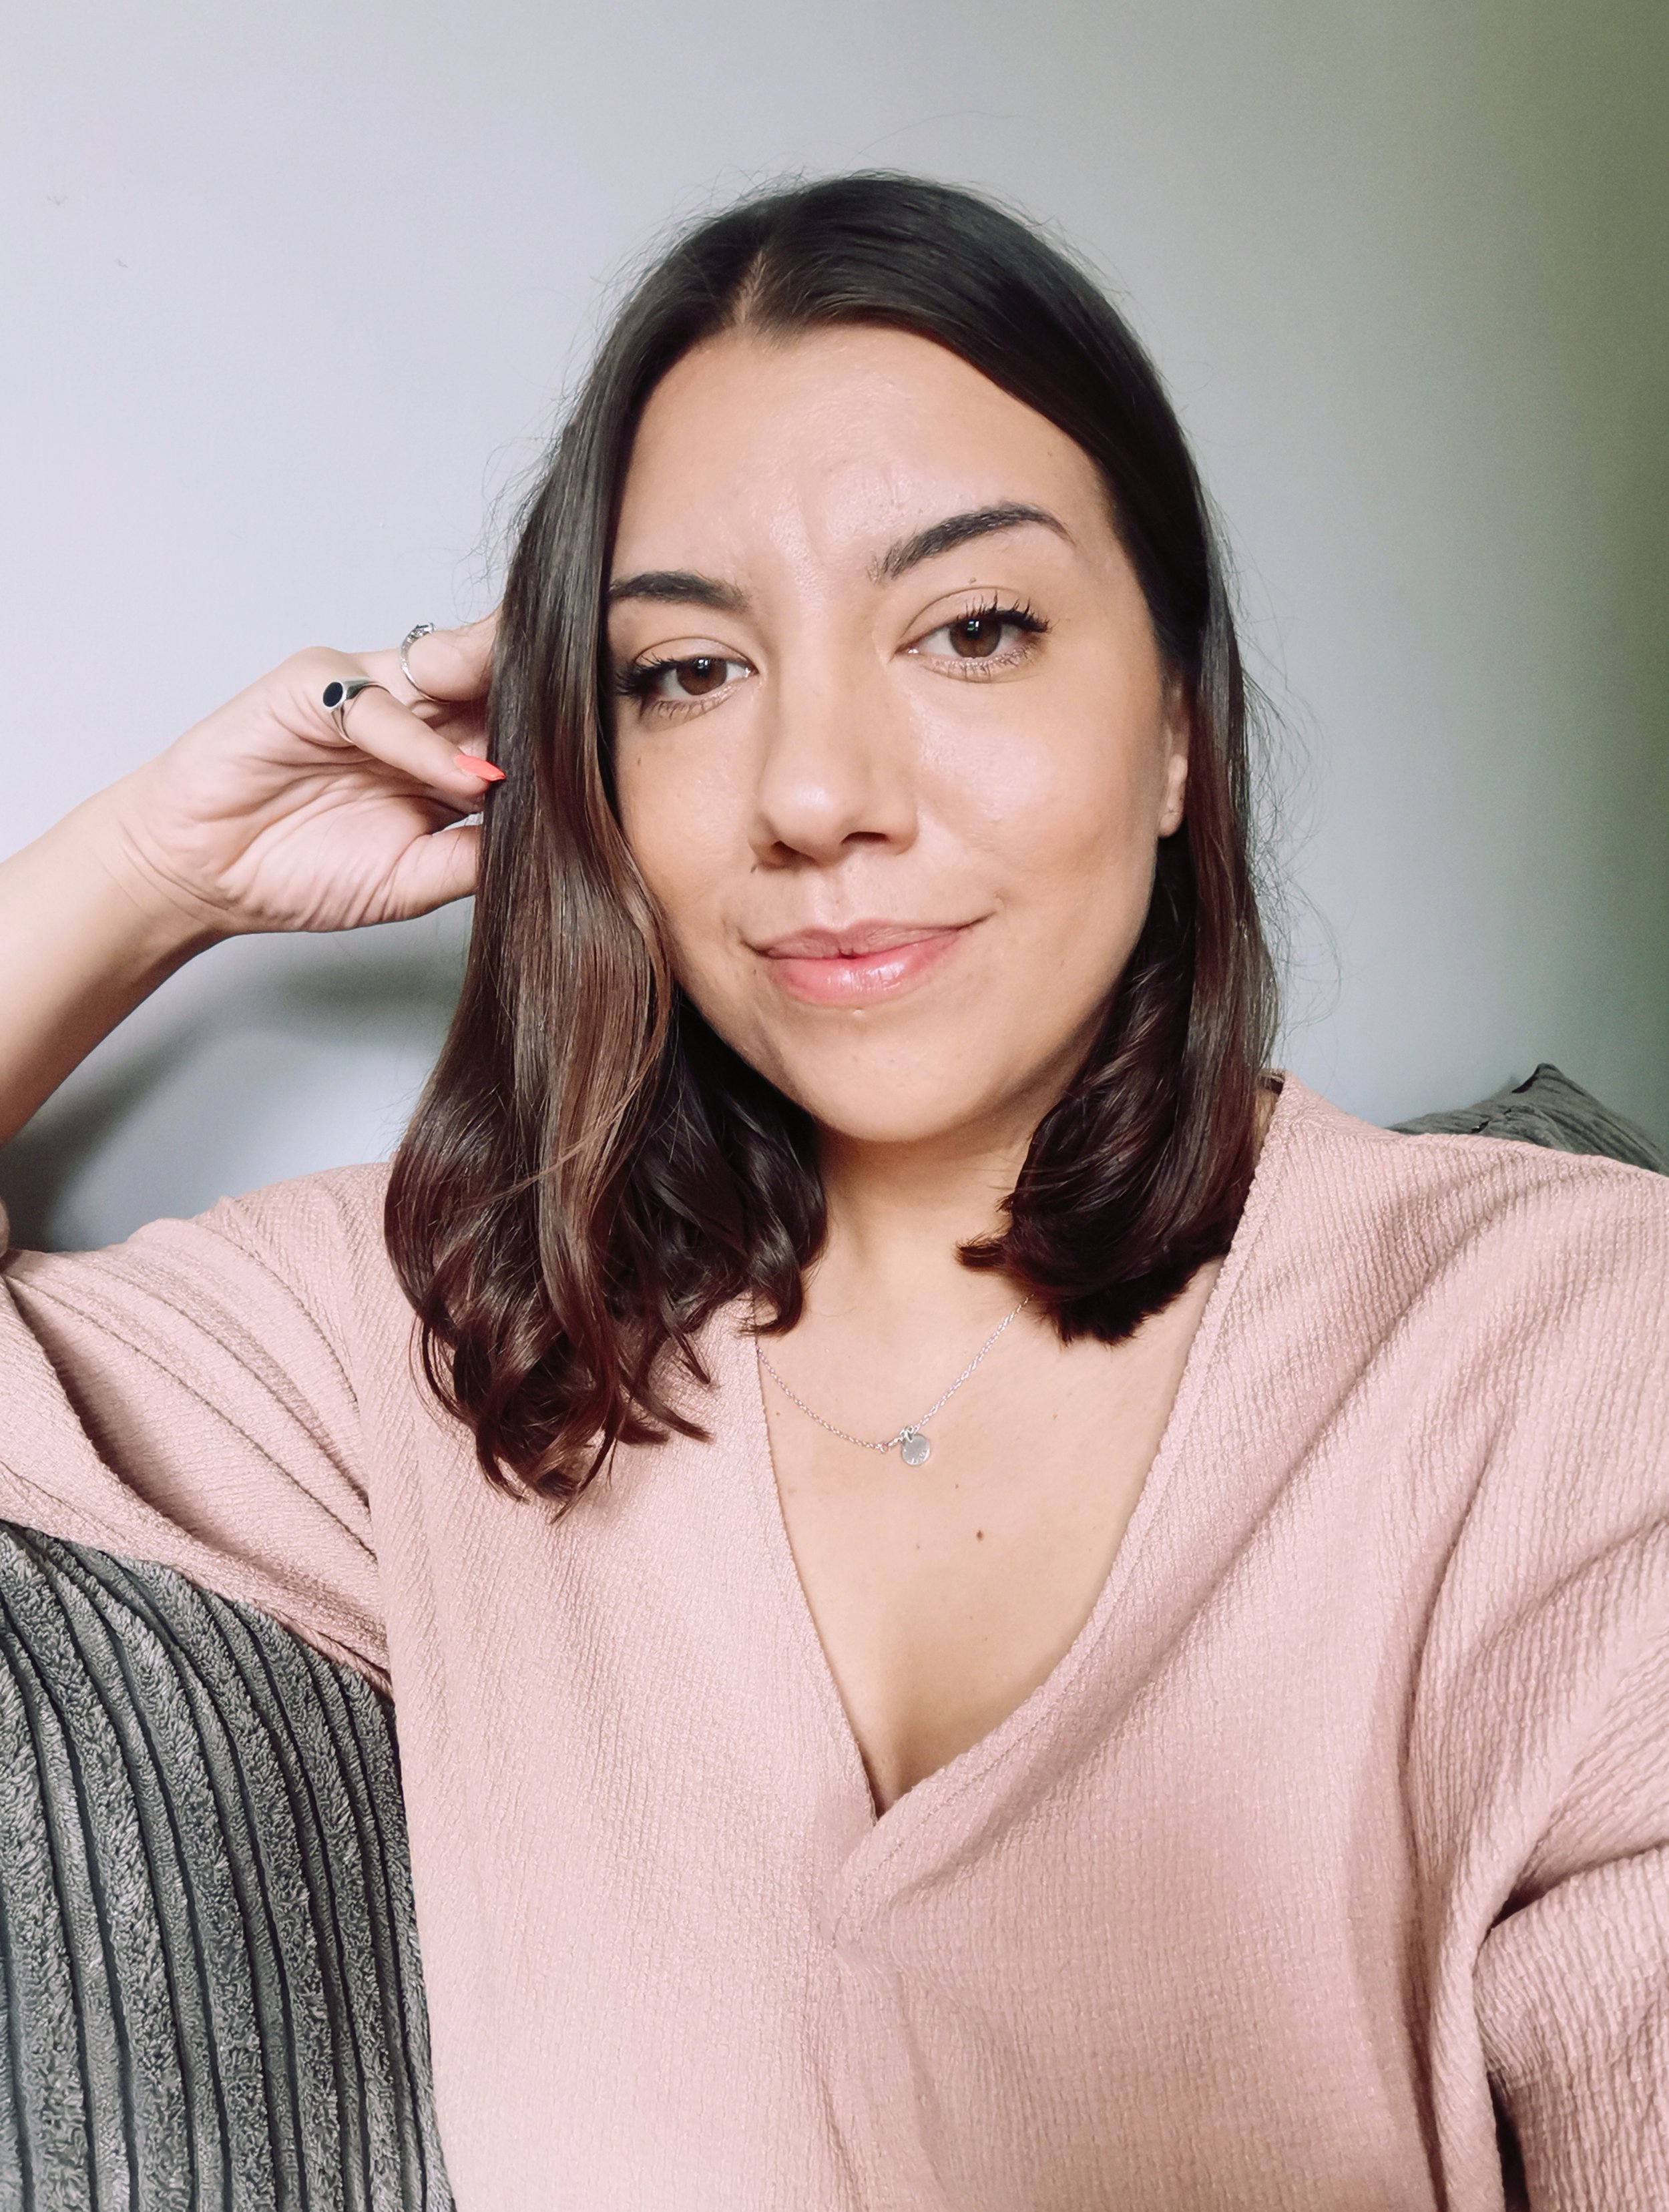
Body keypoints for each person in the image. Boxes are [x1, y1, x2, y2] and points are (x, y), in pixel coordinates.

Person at [1, 174, 1664, 2211]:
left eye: (972, 629)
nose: (812, 793)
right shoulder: (456, 1335)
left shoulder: (1571, 1351)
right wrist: (149, 872)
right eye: (687, 673)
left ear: (1172, 731)